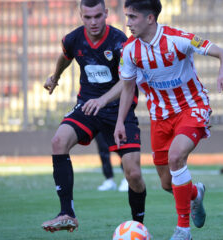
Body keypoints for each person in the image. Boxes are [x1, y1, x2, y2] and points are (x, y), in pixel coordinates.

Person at [114, 0, 223, 239]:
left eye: (133, 17)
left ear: (150, 18)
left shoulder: (178, 38)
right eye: (126, 17)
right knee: (168, 183)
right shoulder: (128, 51)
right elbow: (127, 89)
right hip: (160, 117)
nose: (127, 23)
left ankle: (183, 230)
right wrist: (119, 122)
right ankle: (195, 194)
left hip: (192, 107)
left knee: (176, 157)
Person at [41, 0, 146, 233]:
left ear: (106, 14)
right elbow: (65, 56)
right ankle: (66, 213)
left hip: (119, 109)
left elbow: (127, 81)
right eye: (87, 18)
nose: (93, 22)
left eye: (98, 16)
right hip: (88, 106)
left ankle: (138, 226)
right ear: (80, 16)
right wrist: (55, 77)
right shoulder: (73, 39)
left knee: (134, 173)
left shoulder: (121, 42)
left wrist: (103, 100)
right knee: (58, 141)